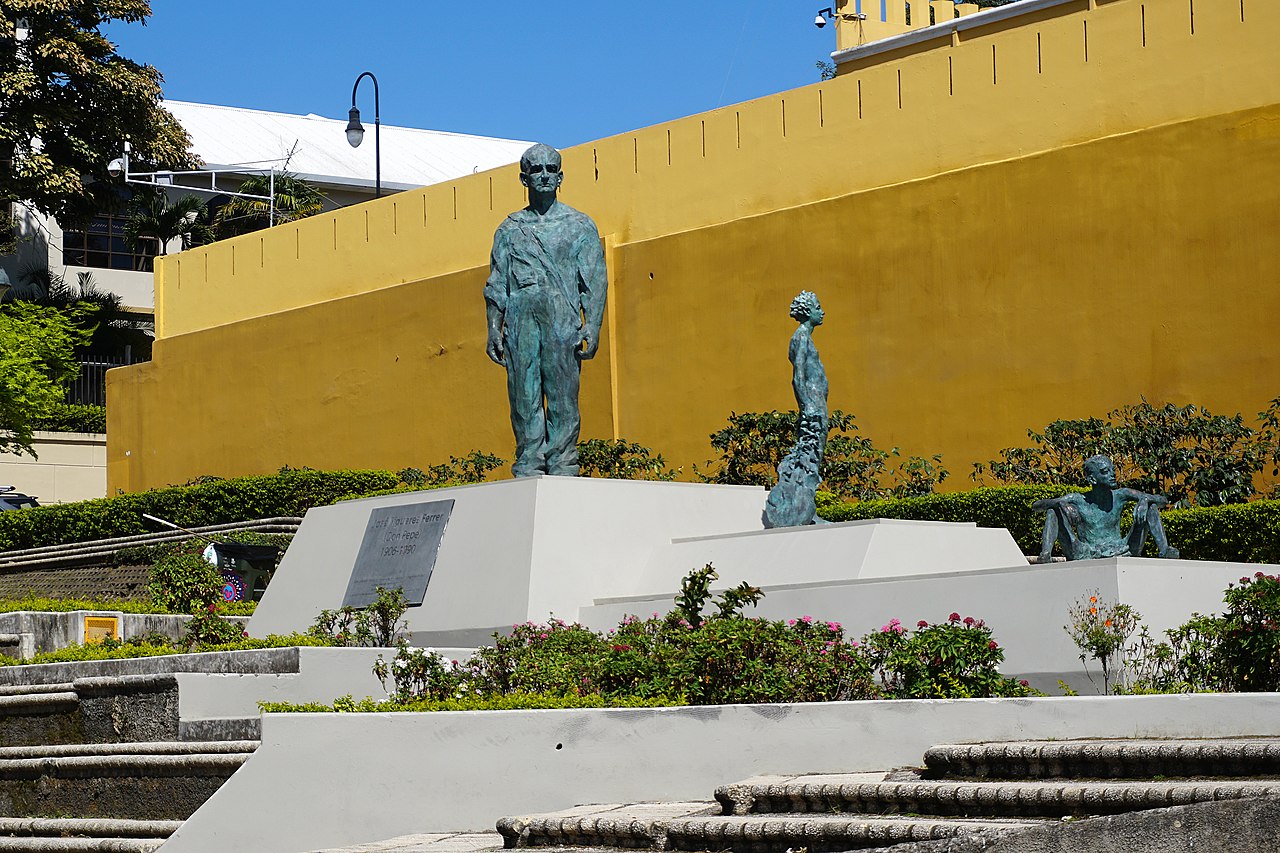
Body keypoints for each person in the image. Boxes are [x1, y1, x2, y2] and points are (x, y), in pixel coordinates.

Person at [484, 144, 608, 477]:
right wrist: (494, 328)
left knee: (563, 393)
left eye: (550, 169)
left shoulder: (579, 225)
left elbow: (594, 281)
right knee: (523, 393)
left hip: (561, 317)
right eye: (536, 170)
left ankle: (563, 460)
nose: (544, 176)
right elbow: (497, 283)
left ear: (560, 176)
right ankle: (529, 460)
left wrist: (592, 325)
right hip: (522, 317)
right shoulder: (509, 229)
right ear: (524, 178)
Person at [1032, 454, 1180, 561]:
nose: (1112, 475)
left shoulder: (1121, 494)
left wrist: (1145, 500)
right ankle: (1045, 554)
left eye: (1112, 470)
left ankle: (1164, 550)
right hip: (1085, 551)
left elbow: (1163, 501)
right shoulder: (1077, 499)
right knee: (1053, 511)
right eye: (1105, 472)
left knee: (1151, 506)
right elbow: (1036, 506)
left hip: (1122, 548)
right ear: (1092, 479)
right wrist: (1060, 503)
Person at [764, 291, 829, 528]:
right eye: (818, 307)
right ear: (807, 312)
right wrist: (808, 406)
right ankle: (799, 509)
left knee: (813, 458)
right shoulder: (801, 337)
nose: (822, 311)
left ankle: (806, 509)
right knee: (809, 456)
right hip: (812, 404)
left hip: (816, 402)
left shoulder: (805, 337)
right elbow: (798, 375)